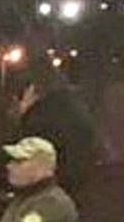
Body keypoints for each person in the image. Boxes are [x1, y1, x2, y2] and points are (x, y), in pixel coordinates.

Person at [14, 61, 98, 203]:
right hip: (81, 186)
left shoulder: (39, 117)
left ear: (31, 91)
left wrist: (25, 114)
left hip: (50, 192)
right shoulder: (74, 107)